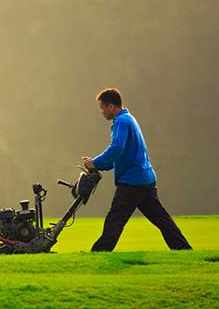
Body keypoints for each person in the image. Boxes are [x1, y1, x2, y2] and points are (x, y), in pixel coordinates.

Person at [82, 88, 192, 252]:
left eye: (102, 108)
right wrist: (99, 164)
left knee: (115, 219)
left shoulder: (121, 122)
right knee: (161, 219)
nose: (101, 112)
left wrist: (95, 163)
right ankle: (184, 249)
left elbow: (117, 148)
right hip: (145, 179)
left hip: (132, 182)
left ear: (111, 107)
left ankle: (98, 253)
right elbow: (123, 154)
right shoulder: (129, 119)